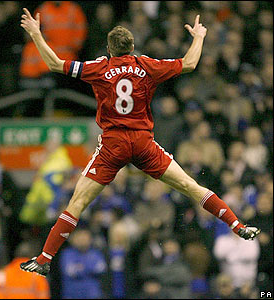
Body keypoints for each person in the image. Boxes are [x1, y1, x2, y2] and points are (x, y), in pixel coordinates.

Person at [19, 8, 261, 277]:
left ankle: (44, 258)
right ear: (132, 47)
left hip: (113, 145)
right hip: (143, 143)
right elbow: (190, 64)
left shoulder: (99, 67)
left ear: (109, 50)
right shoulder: (146, 65)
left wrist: (36, 34)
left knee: (77, 203)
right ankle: (236, 224)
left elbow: (55, 64)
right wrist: (199, 37)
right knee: (190, 186)